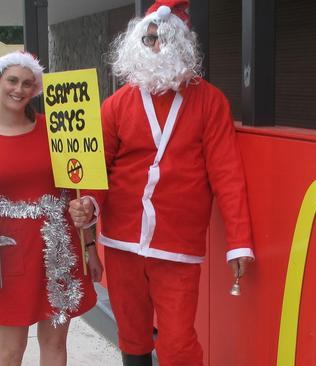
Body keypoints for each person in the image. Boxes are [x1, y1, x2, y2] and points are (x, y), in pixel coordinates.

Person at [69, 1, 254, 365]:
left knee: (179, 342)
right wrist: (89, 202)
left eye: (165, 39)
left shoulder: (210, 102)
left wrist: (239, 241)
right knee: (132, 332)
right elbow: (97, 169)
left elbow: (227, 175)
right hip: (122, 238)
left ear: (183, 44)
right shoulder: (117, 104)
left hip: (177, 243)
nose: (156, 46)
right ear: (138, 43)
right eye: (150, 38)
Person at [0, 51, 103, 366]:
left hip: (60, 248)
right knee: (10, 350)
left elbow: (77, 186)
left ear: (35, 90)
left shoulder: (57, 129)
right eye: (13, 81)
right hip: (8, 253)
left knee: (55, 344)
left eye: (27, 84)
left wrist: (89, 247)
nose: (19, 89)